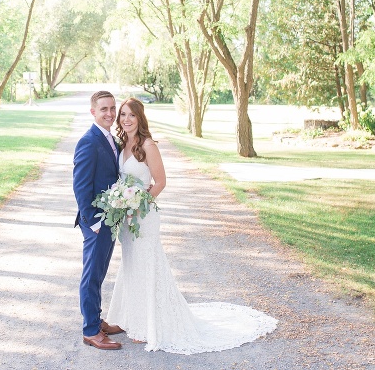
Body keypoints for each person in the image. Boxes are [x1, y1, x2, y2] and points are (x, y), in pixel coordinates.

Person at [106, 97, 278, 354]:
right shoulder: (122, 144)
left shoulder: (149, 145)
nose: (126, 120)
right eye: (123, 115)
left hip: (143, 216)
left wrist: (136, 208)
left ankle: (148, 323)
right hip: (127, 218)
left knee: (147, 263)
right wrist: (123, 206)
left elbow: (161, 182)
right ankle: (130, 317)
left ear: (140, 118)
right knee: (131, 264)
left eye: (131, 115)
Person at [72, 91, 126, 350]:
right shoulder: (88, 141)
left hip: (109, 219)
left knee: (100, 273)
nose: (110, 113)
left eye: (112, 108)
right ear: (93, 112)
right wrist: (92, 222)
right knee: (92, 275)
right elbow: (81, 187)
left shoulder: (111, 139)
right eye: (104, 109)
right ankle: (91, 331)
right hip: (95, 222)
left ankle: (97, 319)